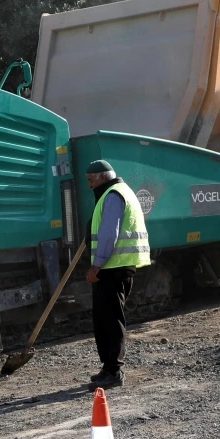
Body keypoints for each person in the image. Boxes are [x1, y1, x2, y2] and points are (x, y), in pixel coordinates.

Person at [84, 159, 151, 390]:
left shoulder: (113, 195)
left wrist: (96, 265)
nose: (90, 186)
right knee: (104, 319)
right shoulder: (121, 191)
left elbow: (108, 234)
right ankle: (108, 367)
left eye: (91, 180)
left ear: (102, 177)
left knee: (110, 320)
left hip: (112, 268)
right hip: (115, 267)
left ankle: (114, 371)